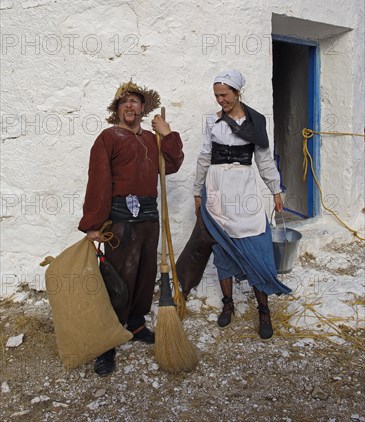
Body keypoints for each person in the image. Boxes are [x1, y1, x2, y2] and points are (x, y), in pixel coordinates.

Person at [78, 80, 184, 376]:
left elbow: (172, 165)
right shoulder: (108, 138)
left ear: (143, 108)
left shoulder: (153, 140)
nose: (129, 106)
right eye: (124, 102)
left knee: (144, 274)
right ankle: (107, 342)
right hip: (121, 220)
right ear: (116, 109)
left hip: (149, 219)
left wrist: (168, 134)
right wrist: (94, 224)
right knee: (118, 281)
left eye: (135, 101)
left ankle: (136, 324)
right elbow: (98, 180)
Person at [192, 69, 291, 339]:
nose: (220, 100)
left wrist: (275, 189)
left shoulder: (255, 122)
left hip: (244, 190)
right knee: (222, 248)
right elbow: (204, 156)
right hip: (217, 189)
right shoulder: (212, 123)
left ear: (237, 93)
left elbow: (264, 159)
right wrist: (196, 191)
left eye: (224, 94)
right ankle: (228, 304)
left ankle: (264, 310)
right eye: (216, 95)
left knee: (256, 245)